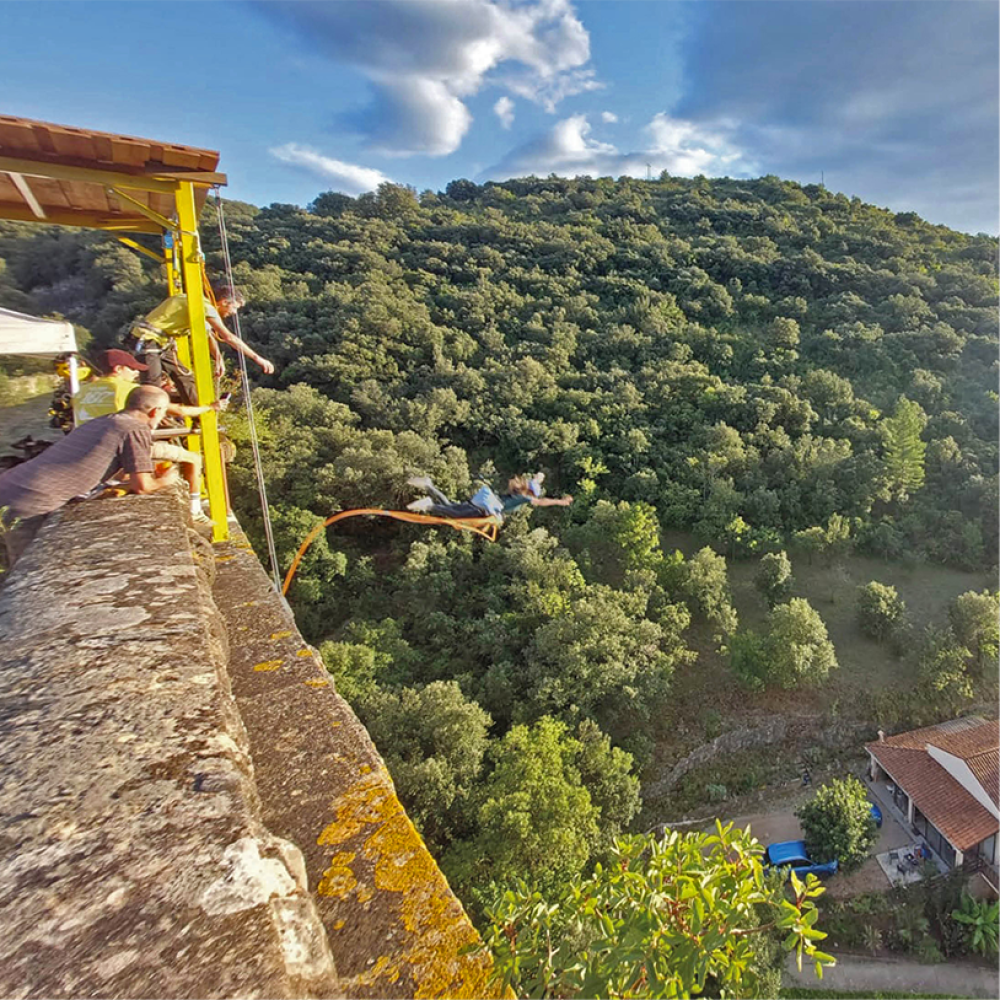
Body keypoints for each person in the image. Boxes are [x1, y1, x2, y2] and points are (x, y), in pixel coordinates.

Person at [0, 385, 177, 569]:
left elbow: (110, 467)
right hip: (30, 502)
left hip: (11, 486)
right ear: (156, 411)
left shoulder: (105, 421)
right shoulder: (135, 429)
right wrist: (166, 480)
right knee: (30, 571)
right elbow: (143, 486)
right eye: (164, 412)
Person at [74, 349, 222, 524]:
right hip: (119, 446)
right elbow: (180, 410)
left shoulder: (81, 392)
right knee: (193, 459)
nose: (136, 373)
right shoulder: (128, 389)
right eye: (132, 368)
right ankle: (195, 510)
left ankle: (115, 483)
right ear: (118, 368)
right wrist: (211, 407)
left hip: (85, 450)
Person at [128, 284, 274, 406]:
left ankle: (197, 413)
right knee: (152, 386)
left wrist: (218, 358)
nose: (234, 313)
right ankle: (146, 418)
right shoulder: (203, 305)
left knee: (185, 379)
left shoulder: (196, 304)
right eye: (234, 307)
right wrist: (257, 358)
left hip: (160, 342)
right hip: (148, 340)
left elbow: (208, 334)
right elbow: (228, 337)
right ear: (224, 301)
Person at [406, 472, 572, 520]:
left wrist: (539, 478)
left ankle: (429, 486)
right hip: (485, 508)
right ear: (530, 493)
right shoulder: (525, 497)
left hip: (482, 500)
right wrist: (560, 501)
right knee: (454, 514)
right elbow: (542, 502)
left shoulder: (517, 492)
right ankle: (429, 505)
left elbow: (535, 480)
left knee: (450, 506)